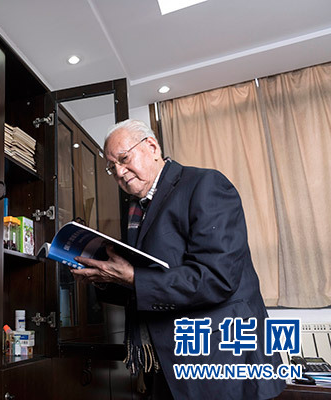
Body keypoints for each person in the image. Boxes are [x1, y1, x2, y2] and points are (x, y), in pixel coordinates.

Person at [71, 119, 286, 399]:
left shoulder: (205, 184)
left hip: (219, 358)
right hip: (168, 361)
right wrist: (103, 276)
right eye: (112, 168)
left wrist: (133, 277)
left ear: (152, 147)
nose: (120, 173)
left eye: (124, 159)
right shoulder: (137, 209)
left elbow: (217, 279)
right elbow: (147, 287)